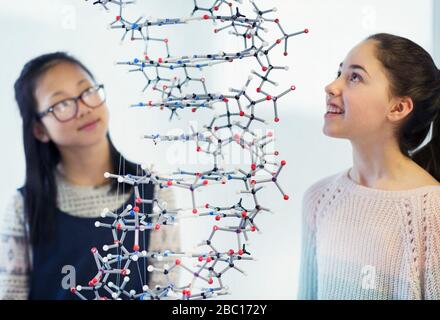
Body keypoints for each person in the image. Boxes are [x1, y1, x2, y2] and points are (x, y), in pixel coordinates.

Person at [0, 52, 180, 299]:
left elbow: (164, 290)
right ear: (39, 129)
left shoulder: (153, 191)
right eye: (61, 104)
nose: (83, 108)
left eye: (87, 92)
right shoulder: (23, 207)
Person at [299, 33, 440, 300]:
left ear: (398, 107)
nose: (331, 86)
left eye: (355, 77)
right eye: (339, 73)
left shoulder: (432, 212)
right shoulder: (318, 200)